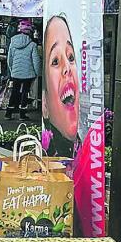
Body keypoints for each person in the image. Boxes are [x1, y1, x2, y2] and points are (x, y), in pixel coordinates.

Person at [42, 13, 80, 155]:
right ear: (45, 104)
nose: (67, 68)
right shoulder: (46, 162)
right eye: (55, 61)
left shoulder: (90, 152)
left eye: (71, 57)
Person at [5, 19, 41, 121]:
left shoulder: (12, 42)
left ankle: (9, 112)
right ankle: (22, 114)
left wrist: (12, 70)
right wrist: (36, 73)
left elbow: (9, 59)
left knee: (15, 92)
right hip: (28, 73)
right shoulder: (32, 44)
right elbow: (36, 61)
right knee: (25, 93)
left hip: (16, 72)